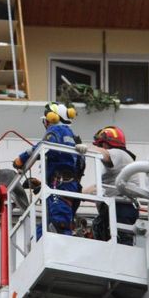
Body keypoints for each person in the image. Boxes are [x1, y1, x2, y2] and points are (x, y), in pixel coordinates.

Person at [13, 102, 84, 236]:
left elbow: (40, 148)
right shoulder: (72, 136)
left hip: (60, 184)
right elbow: (67, 162)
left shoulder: (55, 131)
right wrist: (43, 184)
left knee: (59, 223)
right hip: (69, 184)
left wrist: (20, 160)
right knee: (47, 225)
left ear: (51, 118)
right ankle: (36, 243)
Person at [76, 126, 139, 245]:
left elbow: (104, 154)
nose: (100, 147)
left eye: (101, 145)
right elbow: (97, 187)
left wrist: (86, 148)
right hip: (115, 208)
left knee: (122, 244)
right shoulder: (118, 165)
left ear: (106, 143)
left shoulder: (119, 154)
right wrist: (75, 194)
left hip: (121, 207)